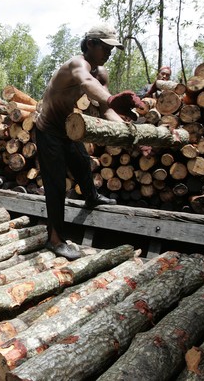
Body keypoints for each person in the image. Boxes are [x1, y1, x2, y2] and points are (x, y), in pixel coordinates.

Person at [35, 23, 144, 260]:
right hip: (47, 130)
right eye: (106, 47)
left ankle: (91, 197)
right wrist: (113, 98)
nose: (110, 52)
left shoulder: (100, 73)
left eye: (112, 48)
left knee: (82, 162)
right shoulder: (78, 64)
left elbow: (106, 109)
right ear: (91, 44)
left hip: (66, 127)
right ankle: (54, 240)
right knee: (55, 185)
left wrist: (130, 133)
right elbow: (86, 82)